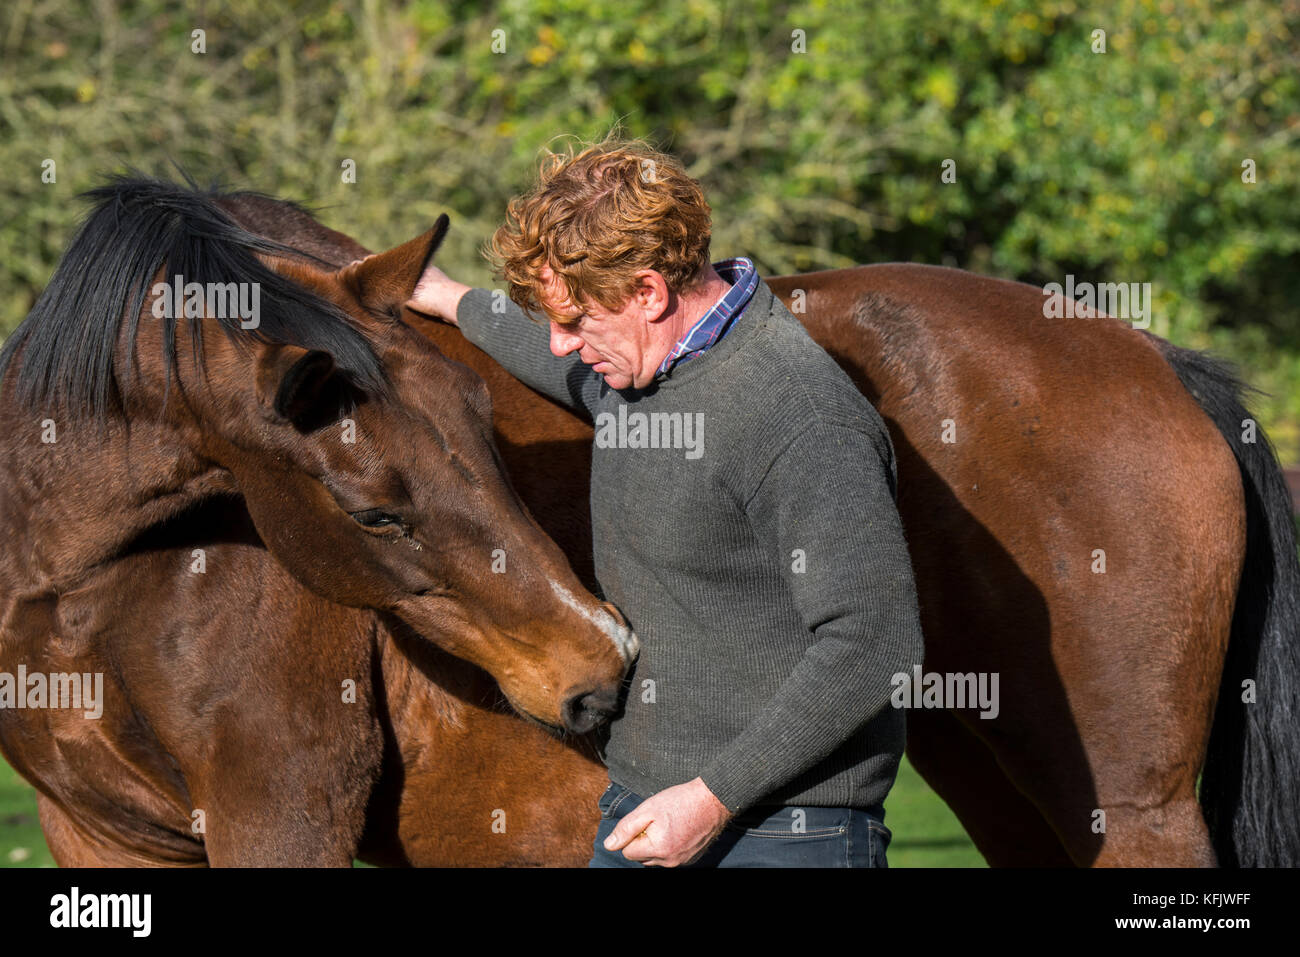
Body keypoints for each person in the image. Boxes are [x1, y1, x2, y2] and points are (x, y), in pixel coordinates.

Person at [407, 135, 924, 868]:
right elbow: (544, 354)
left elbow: (876, 644)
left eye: (578, 321)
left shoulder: (802, 415)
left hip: (782, 833)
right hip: (643, 807)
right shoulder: (638, 374)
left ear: (649, 292)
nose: (561, 346)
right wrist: (450, 298)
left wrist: (712, 796)